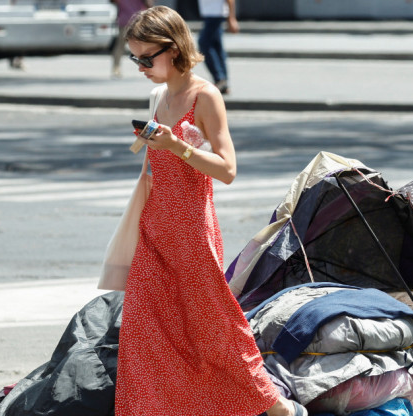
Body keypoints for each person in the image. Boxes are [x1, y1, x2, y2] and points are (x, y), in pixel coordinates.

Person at [115, 6, 306, 416]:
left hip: (191, 230)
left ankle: (272, 404)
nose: (141, 67)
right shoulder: (160, 95)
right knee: (144, 328)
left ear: (175, 47)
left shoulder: (205, 96)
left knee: (214, 325)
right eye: (135, 58)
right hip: (154, 225)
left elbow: (228, 170)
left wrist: (177, 147)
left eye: (147, 58)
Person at [198, 0, 239, 94]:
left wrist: (231, 18)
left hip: (216, 14)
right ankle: (222, 81)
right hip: (210, 14)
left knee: (204, 43)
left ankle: (220, 78)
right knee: (217, 47)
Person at [110, 0, 153, 79]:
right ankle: (147, 67)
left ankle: (116, 68)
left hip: (125, 20)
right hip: (137, 21)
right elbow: (149, 5)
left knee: (120, 46)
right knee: (143, 46)